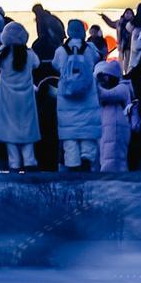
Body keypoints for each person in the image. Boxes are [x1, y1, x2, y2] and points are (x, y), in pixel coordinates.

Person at [0, 21, 40, 171]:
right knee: (27, 129)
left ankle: (14, 163)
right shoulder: (29, 54)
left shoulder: (2, 54)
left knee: (9, 131)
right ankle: (29, 161)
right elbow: (37, 64)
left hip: (7, 98)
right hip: (26, 98)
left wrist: (3, 46)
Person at [54, 19, 100, 171]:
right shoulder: (90, 49)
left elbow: (55, 64)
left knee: (70, 137)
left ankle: (72, 163)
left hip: (66, 100)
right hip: (87, 97)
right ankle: (87, 158)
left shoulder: (61, 51)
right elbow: (96, 59)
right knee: (87, 134)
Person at [95, 57, 131, 173]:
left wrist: (93, 82)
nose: (103, 80)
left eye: (106, 76)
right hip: (106, 130)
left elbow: (106, 95)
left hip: (116, 131)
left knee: (114, 160)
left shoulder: (123, 88)